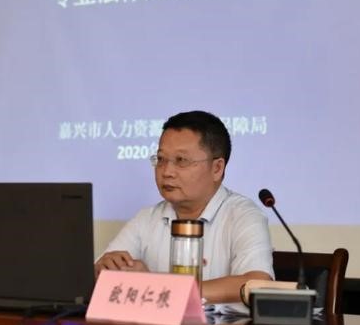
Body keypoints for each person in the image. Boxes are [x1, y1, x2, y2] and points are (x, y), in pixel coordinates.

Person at [95, 110, 273, 303]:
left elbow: (257, 283)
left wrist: (154, 285)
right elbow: (102, 274)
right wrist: (105, 270)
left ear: (217, 168)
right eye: (161, 159)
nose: (167, 171)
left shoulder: (243, 216)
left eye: (181, 160)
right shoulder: (147, 218)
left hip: (223, 324)